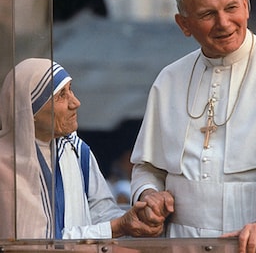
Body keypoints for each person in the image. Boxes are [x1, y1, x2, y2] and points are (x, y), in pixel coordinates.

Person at [130, 0, 256, 253]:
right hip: (181, 242)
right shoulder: (169, 78)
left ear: (246, 7)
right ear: (184, 25)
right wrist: (149, 195)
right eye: (207, 14)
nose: (224, 23)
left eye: (231, 7)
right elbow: (147, 166)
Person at [0, 58, 163, 240]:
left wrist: (139, 218)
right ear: (30, 110)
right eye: (61, 95)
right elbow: (34, 242)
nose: (75, 102)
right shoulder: (6, 165)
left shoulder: (75, 149)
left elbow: (101, 212)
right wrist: (116, 227)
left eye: (70, 89)